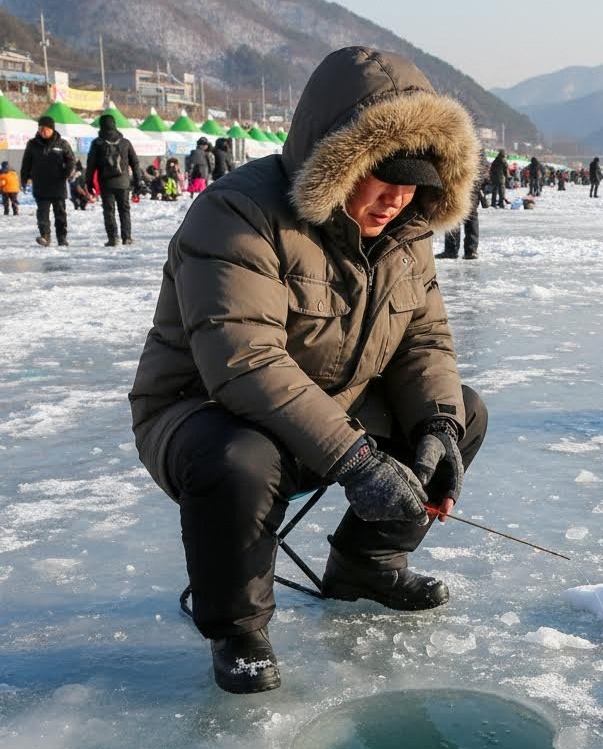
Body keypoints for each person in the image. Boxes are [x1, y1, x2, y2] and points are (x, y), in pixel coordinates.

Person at [129, 46, 486, 694]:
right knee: (242, 457)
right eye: (384, 177)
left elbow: (423, 342)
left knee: (461, 411)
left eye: (415, 182)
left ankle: (367, 563)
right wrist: (356, 458)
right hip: (207, 415)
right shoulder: (237, 214)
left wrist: (437, 426)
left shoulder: (406, 233)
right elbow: (244, 362)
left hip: (331, 410)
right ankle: (238, 627)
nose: (398, 198)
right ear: (339, 161)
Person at [86, 113, 142, 246]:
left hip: (106, 183)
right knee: (124, 210)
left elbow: (91, 165)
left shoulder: (97, 143)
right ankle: (127, 237)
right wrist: (137, 180)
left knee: (108, 210)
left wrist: (89, 182)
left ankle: (113, 238)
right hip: (123, 182)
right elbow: (135, 163)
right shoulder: (125, 143)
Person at [20, 114, 76, 246]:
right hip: (40, 184)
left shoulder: (62, 144)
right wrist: (24, 179)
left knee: (60, 214)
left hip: (58, 184)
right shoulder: (32, 144)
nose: (42, 131)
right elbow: (26, 163)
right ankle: (45, 236)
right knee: (42, 214)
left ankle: (62, 238)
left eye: (45, 129)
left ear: (52, 129)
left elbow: (71, 160)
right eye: (40, 129)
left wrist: (66, 173)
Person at [438, 150, 485, 259]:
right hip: (466, 187)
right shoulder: (477, 149)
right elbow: (481, 170)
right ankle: (469, 250)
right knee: (464, 218)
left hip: (462, 187)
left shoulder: (462, 147)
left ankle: (454, 250)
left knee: (457, 216)